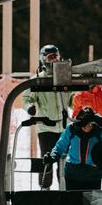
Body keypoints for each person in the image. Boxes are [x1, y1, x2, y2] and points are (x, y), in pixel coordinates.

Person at [23, 44, 69, 189]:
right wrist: (30, 108)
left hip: (63, 126)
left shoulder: (64, 77)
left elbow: (74, 95)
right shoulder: (38, 79)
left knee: (64, 159)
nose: (54, 60)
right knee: (47, 158)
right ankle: (45, 186)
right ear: (43, 59)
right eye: (50, 57)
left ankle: (64, 186)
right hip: (46, 127)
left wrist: (78, 103)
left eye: (56, 57)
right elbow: (27, 98)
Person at [47, 106, 102, 190]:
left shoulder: (100, 131)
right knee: (73, 201)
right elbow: (60, 146)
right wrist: (52, 157)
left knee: (90, 202)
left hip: (93, 175)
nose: (87, 126)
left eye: (90, 123)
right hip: (73, 173)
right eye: (84, 123)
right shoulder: (72, 128)